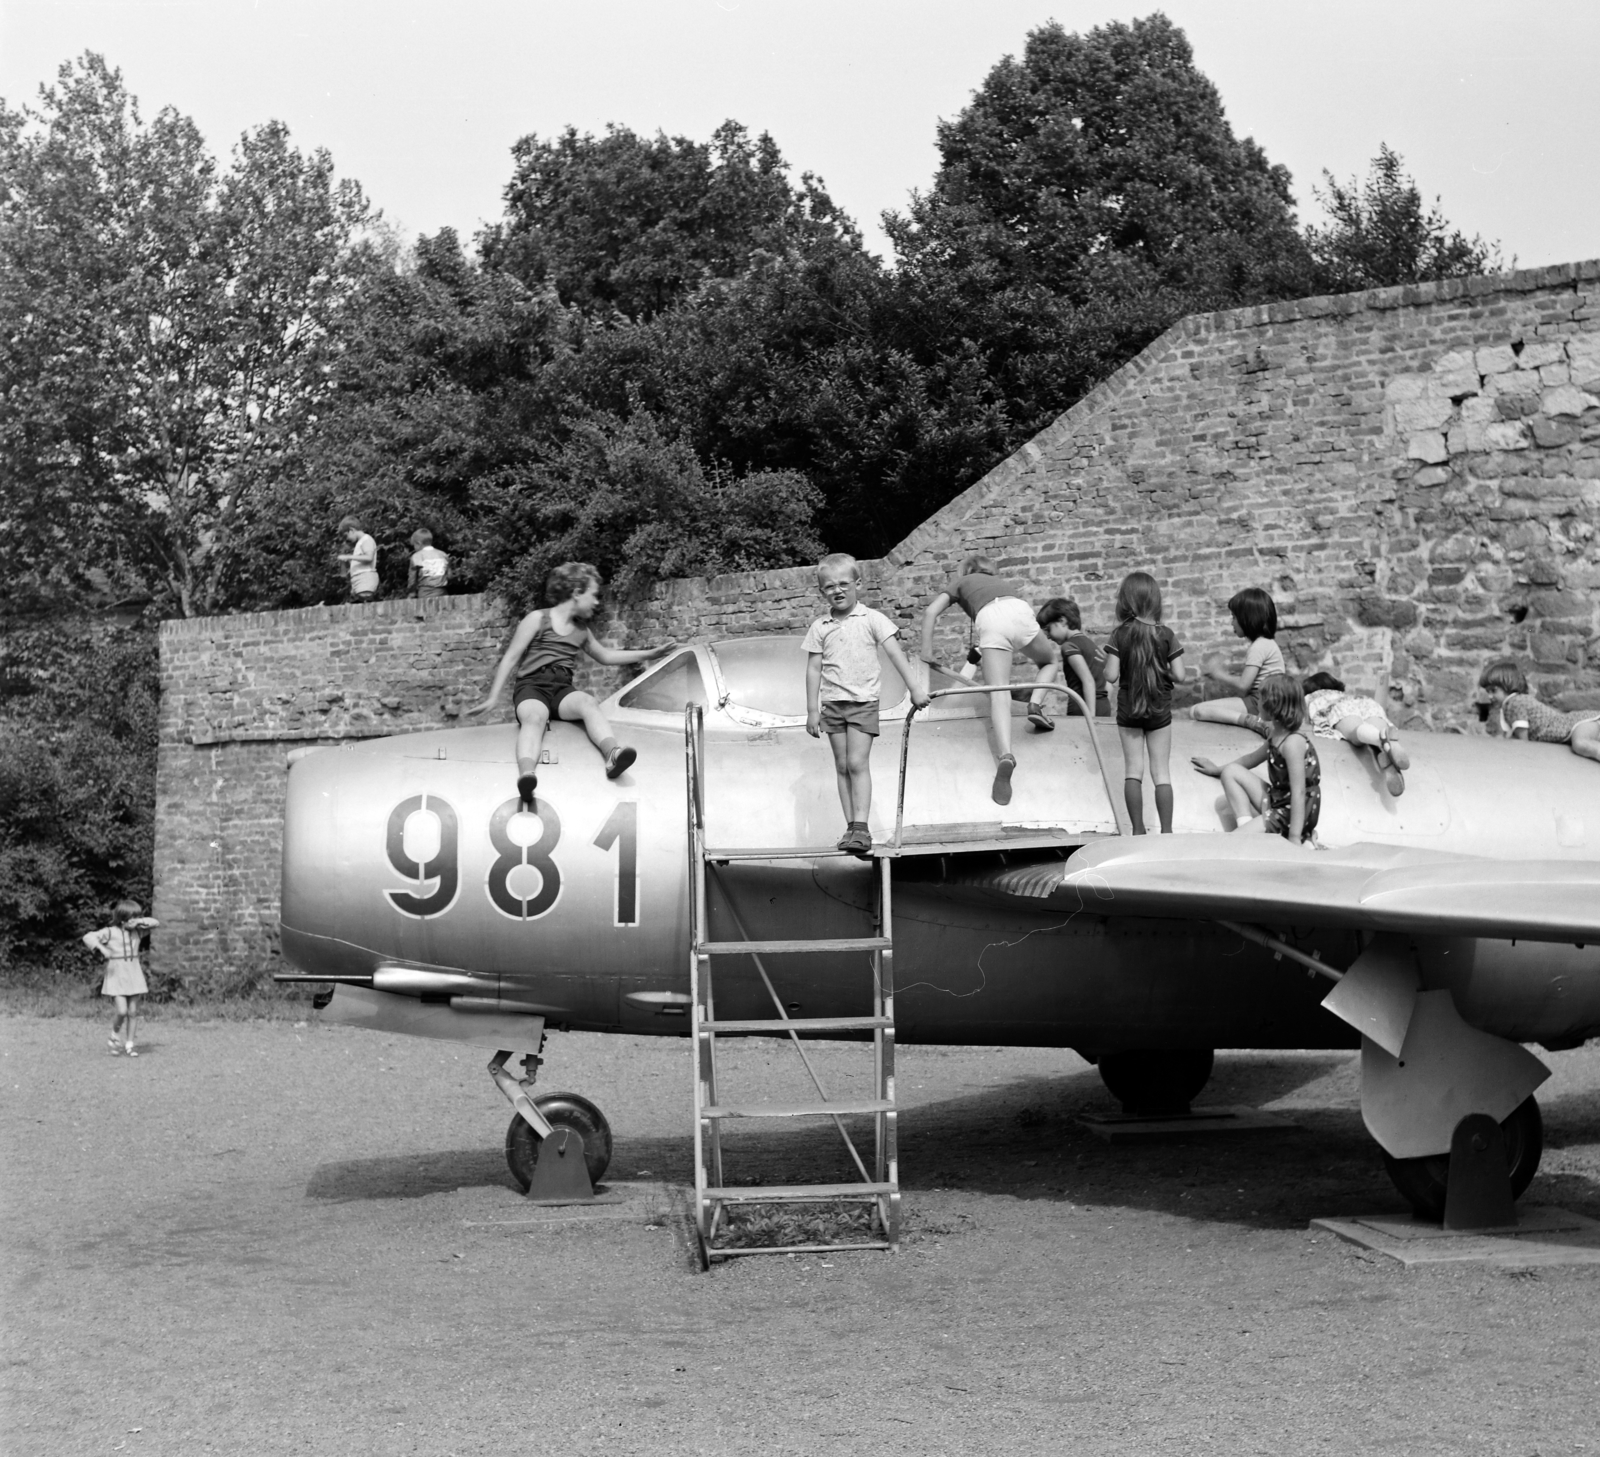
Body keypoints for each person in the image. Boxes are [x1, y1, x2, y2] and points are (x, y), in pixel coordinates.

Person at [468, 563, 678, 808]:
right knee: (535, 717)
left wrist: (651, 653)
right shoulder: (537, 619)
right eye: (594, 595)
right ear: (577, 592)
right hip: (532, 687)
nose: (597, 602)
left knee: (588, 702)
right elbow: (511, 657)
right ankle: (527, 775)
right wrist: (493, 697)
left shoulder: (581, 631)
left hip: (561, 689)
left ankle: (612, 754)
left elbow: (607, 656)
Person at [803, 554, 929, 854]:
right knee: (843, 765)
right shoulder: (820, 626)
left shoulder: (873, 619)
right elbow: (812, 669)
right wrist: (811, 709)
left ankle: (862, 827)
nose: (838, 590)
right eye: (830, 586)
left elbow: (897, 655)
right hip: (833, 704)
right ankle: (851, 828)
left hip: (862, 703)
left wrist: (914, 689)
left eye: (844, 584)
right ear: (822, 591)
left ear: (858, 584)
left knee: (858, 763)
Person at [919, 555, 1057, 806]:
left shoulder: (961, 582)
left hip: (991, 618)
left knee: (999, 693)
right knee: (1049, 662)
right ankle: (1036, 704)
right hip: (1019, 609)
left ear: (966, 571)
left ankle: (1006, 754)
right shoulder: (1000, 584)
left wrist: (926, 652)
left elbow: (930, 612)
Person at [1191, 675, 1321, 845]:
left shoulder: (1292, 743)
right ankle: (1247, 827)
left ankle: (1301, 838)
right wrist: (1217, 769)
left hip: (1292, 812)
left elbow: (1299, 792)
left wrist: (1294, 838)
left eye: (1260, 699)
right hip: (1278, 800)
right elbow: (1251, 759)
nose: (1257, 703)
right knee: (1231, 771)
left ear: (1273, 705)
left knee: (1232, 842)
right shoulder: (1277, 735)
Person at [1103, 571, 1187, 834]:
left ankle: (1138, 830)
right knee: (1161, 772)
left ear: (1126, 600)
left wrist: (1104, 662)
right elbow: (1181, 675)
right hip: (1159, 707)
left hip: (1129, 708)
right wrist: (1162, 671)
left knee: (1133, 770)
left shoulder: (1119, 635)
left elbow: (1111, 676)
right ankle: (1166, 831)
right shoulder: (1166, 634)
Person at [1297, 670, 1410, 795]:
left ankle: (1379, 738)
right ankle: (1385, 740)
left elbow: (1301, 721)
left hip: (1340, 707)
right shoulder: (1349, 695)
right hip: (1368, 703)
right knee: (1374, 726)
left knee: (1355, 731)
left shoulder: (1314, 697)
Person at [1190, 587, 1286, 726]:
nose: (1232, 623)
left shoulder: (1259, 645)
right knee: (1194, 711)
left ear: (1248, 618)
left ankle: (1249, 721)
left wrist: (1219, 674)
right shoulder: (1265, 643)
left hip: (1261, 702)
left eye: (1234, 617)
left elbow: (1243, 685)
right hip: (1258, 700)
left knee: (1198, 711)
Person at [1478, 658, 1600, 764]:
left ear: (1507, 685)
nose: (1489, 696)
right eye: (1487, 692)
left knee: (1581, 744)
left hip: (1578, 723)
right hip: (1580, 724)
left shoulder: (1515, 703)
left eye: (1493, 691)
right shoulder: (1511, 703)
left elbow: (1522, 739)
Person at [83, 900, 158, 1056]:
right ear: (122, 918)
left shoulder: (138, 931)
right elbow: (88, 937)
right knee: (122, 1011)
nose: (135, 920)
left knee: (133, 1011)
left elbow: (155, 923)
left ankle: (130, 1044)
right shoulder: (110, 932)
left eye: (137, 917)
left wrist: (139, 921)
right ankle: (114, 1035)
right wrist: (102, 949)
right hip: (116, 973)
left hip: (134, 973)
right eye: (132, 917)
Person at [1030, 597, 1108, 720]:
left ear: (1062, 621)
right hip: (1103, 706)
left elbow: (1088, 681)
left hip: (1082, 708)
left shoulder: (1069, 646)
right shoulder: (1093, 646)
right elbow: (1107, 684)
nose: (1048, 637)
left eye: (1048, 630)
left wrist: (1091, 717)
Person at [337, 516, 380, 602]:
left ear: (352, 530)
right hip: (359, 582)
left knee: (361, 602)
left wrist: (348, 557)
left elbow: (369, 557)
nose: (346, 539)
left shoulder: (366, 540)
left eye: (346, 536)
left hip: (365, 581)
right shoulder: (360, 543)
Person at [407, 529, 450, 603]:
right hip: (442, 592)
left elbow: (412, 580)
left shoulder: (416, 557)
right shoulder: (443, 555)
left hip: (425, 593)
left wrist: (411, 593)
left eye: (414, 545)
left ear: (418, 543)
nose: (414, 548)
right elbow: (449, 576)